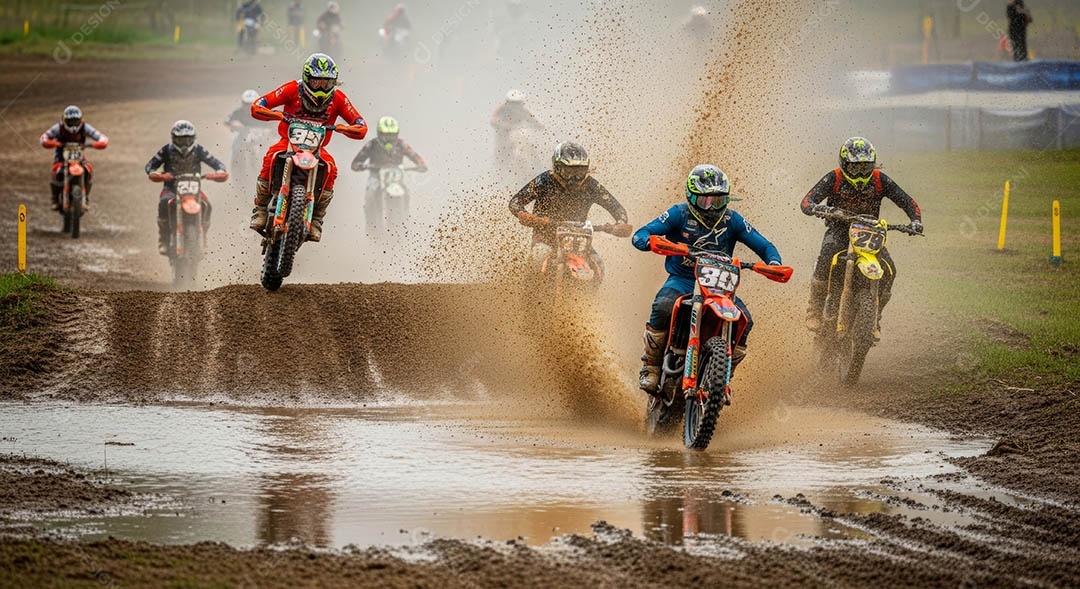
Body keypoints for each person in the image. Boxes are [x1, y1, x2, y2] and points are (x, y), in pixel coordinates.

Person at [632, 165, 782, 396]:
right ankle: (650, 367)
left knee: (745, 321)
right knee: (663, 306)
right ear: (691, 197)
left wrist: (772, 263)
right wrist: (650, 242)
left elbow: (764, 245)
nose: (712, 207)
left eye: (719, 201)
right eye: (705, 201)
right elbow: (642, 233)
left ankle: (723, 376)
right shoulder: (678, 213)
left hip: (720, 287)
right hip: (683, 279)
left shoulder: (733, 219)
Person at [799, 137, 923, 334]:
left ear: (872, 165)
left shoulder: (879, 179)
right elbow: (806, 202)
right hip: (839, 229)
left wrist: (915, 220)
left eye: (865, 168)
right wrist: (819, 208)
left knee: (890, 269)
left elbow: (908, 201)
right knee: (826, 256)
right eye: (855, 168)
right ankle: (814, 310)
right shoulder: (835, 178)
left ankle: (875, 313)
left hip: (870, 231)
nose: (860, 173)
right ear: (844, 164)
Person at [249, 52, 368, 242]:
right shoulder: (291, 89)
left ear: (334, 82)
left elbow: (360, 124)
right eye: (316, 82)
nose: (321, 87)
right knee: (271, 156)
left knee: (331, 169)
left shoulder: (338, 98)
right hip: (288, 143)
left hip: (317, 149)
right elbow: (259, 104)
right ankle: (261, 208)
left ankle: (317, 219)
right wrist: (276, 115)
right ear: (306, 78)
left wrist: (344, 127)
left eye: (326, 83)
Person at [508, 141, 632, 275]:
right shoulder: (544, 181)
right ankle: (530, 295)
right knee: (538, 258)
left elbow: (617, 208)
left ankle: (589, 296)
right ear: (557, 167)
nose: (574, 178)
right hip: (545, 237)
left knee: (599, 264)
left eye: (579, 172)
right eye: (569, 172)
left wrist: (620, 224)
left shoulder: (591, 185)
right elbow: (515, 201)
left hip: (579, 242)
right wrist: (523, 214)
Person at [145, 120, 229, 255]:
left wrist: (219, 172)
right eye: (181, 140)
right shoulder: (167, 150)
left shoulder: (198, 150)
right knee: (163, 203)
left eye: (187, 139)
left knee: (207, 204)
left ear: (193, 138)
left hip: (194, 190)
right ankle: (164, 239)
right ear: (174, 138)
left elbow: (217, 163)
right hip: (171, 188)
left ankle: (203, 237)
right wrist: (156, 174)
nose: (184, 143)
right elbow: (150, 166)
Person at [39, 105, 108, 210]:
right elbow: (43, 138)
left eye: (76, 121)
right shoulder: (58, 128)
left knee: (88, 169)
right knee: (56, 171)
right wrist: (57, 144)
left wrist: (91, 144)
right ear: (65, 120)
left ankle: (86, 197)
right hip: (61, 156)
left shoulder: (85, 127)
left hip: (79, 156)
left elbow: (102, 138)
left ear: (80, 120)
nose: (73, 124)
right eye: (71, 122)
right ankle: (55, 198)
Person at [491, 90, 544, 165]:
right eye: (513, 103)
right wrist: (503, 125)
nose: (515, 105)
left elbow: (532, 120)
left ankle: (537, 165)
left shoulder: (523, 110)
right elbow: (493, 119)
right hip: (504, 134)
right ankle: (501, 166)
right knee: (502, 149)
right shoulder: (502, 109)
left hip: (518, 133)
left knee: (530, 146)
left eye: (517, 103)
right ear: (508, 102)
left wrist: (540, 126)